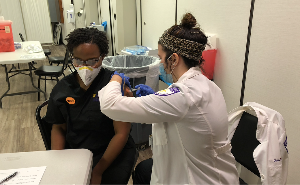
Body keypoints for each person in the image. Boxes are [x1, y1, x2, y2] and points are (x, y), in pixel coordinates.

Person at [98, 13, 239, 185]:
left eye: (160, 58)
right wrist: (154, 98)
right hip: (214, 169)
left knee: (144, 171)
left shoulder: (184, 95)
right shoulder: (206, 85)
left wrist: (116, 78)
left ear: (174, 59)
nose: (160, 64)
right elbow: (181, 114)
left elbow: (109, 105)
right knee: (144, 170)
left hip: (200, 179)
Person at [44, 28, 136, 185]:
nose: (85, 67)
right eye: (78, 60)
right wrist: (57, 164)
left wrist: (98, 170)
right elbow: (58, 127)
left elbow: (121, 133)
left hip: (111, 151)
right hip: (77, 151)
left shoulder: (114, 85)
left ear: (103, 57)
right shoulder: (62, 89)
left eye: (93, 61)